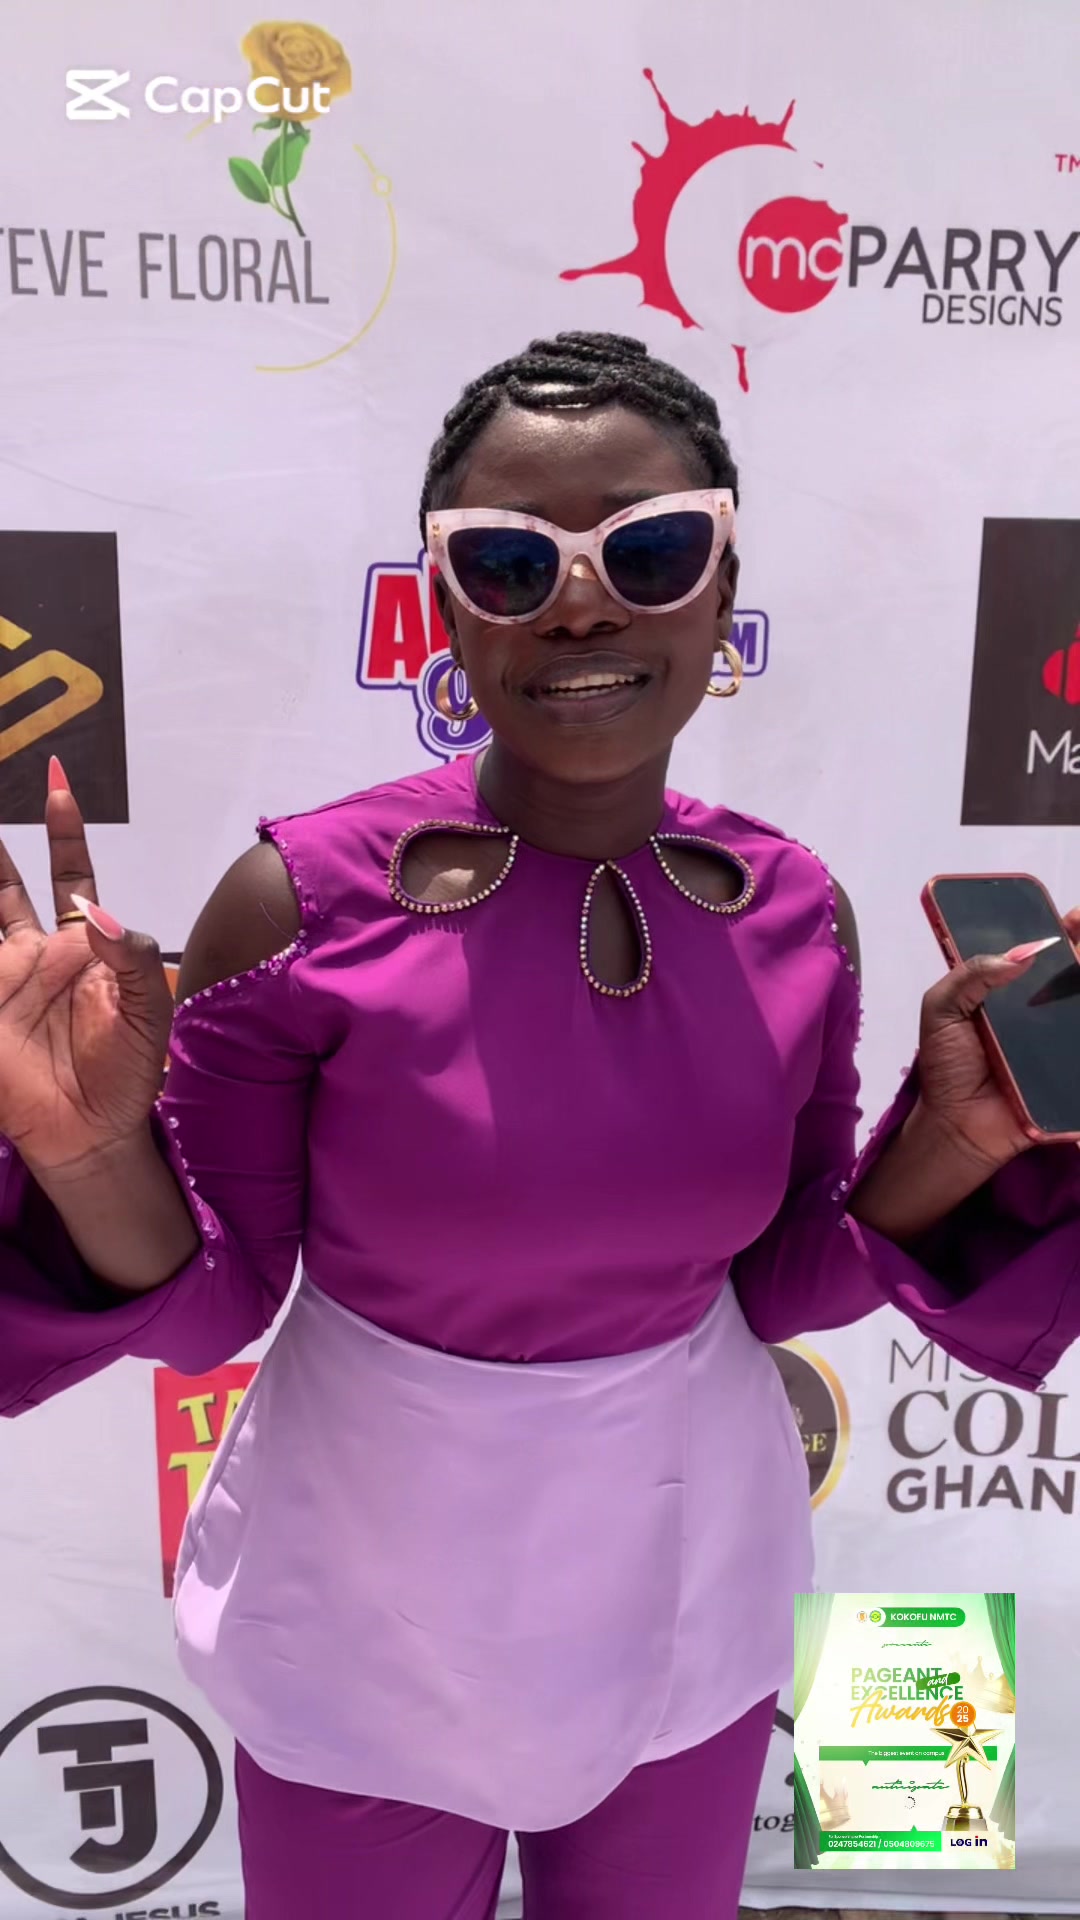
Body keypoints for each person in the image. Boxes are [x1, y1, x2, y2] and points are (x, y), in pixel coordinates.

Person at [1, 331, 1079, 1920]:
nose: (583, 605)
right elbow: (222, 1303)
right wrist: (91, 1152)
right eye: (511, 562)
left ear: (721, 589)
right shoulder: (294, 903)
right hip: (360, 1607)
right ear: (447, 606)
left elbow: (780, 1283)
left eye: (651, 551)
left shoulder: (797, 909)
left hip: (686, 1586)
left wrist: (962, 1143)